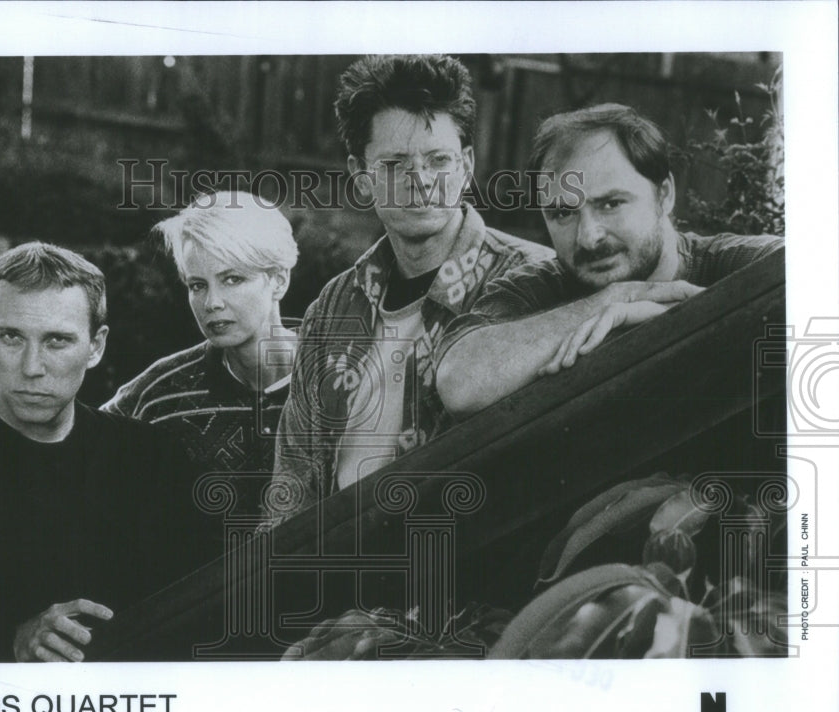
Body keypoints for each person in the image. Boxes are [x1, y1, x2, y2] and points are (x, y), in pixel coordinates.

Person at [0, 242, 208, 662]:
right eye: (12, 337)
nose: (32, 367)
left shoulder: (156, 461)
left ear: (96, 346)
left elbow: (201, 626)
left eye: (57, 341)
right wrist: (8, 644)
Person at [270, 54, 554, 517]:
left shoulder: (535, 281)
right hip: (337, 569)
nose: (420, 181)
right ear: (361, 178)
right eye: (395, 164)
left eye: (438, 160)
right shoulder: (333, 308)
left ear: (466, 165)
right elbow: (294, 476)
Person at [435, 103, 784, 416]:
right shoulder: (534, 289)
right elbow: (460, 385)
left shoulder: (738, 264)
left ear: (664, 195)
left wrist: (677, 320)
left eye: (611, 204)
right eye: (562, 214)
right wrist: (614, 299)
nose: (588, 236)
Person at [101, 191, 298, 511]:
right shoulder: (158, 394)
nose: (212, 303)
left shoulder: (344, 378)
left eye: (232, 279)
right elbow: (73, 456)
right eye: (197, 285)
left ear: (278, 280)